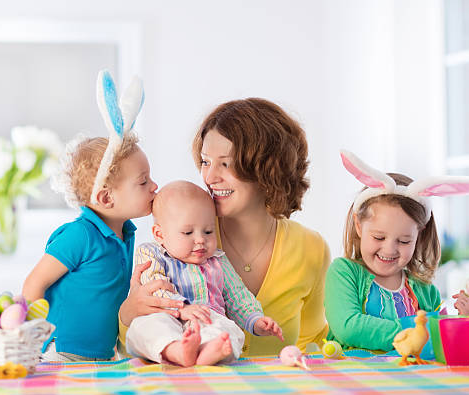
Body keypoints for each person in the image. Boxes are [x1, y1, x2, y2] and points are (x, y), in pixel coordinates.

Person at [22, 71, 179, 361]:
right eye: (143, 182)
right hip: (62, 353)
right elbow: (34, 284)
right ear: (106, 198)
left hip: (103, 355)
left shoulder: (127, 233)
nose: (154, 186)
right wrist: (37, 336)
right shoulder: (78, 235)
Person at [190, 98, 330, 356]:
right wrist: (132, 308)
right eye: (206, 162)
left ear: (268, 170)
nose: (209, 178)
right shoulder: (187, 236)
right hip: (201, 392)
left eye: (226, 163)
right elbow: (141, 333)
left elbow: (313, 344)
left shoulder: (311, 248)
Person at [324, 150, 469, 351]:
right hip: (356, 377)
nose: (389, 249)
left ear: (418, 235)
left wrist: (463, 320)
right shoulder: (344, 272)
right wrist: (417, 332)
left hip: (410, 379)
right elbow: (349, 327)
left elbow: (438, 343)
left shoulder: (425, 290)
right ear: (359, 226)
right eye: (379, 237)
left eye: (404, 241)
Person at [126, 181, 283, 366]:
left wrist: (256, 320)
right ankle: (176, 350)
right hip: (166, 316)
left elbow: (237, 296)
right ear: (159, 234)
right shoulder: (150, 253)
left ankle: (206, 353)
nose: (200, 239)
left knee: (228, 331)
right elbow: (154, 286)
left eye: (208, 231)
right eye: (187, 232)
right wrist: (181, 308)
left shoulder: (218, 261)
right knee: (143, 328)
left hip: (207, 318)